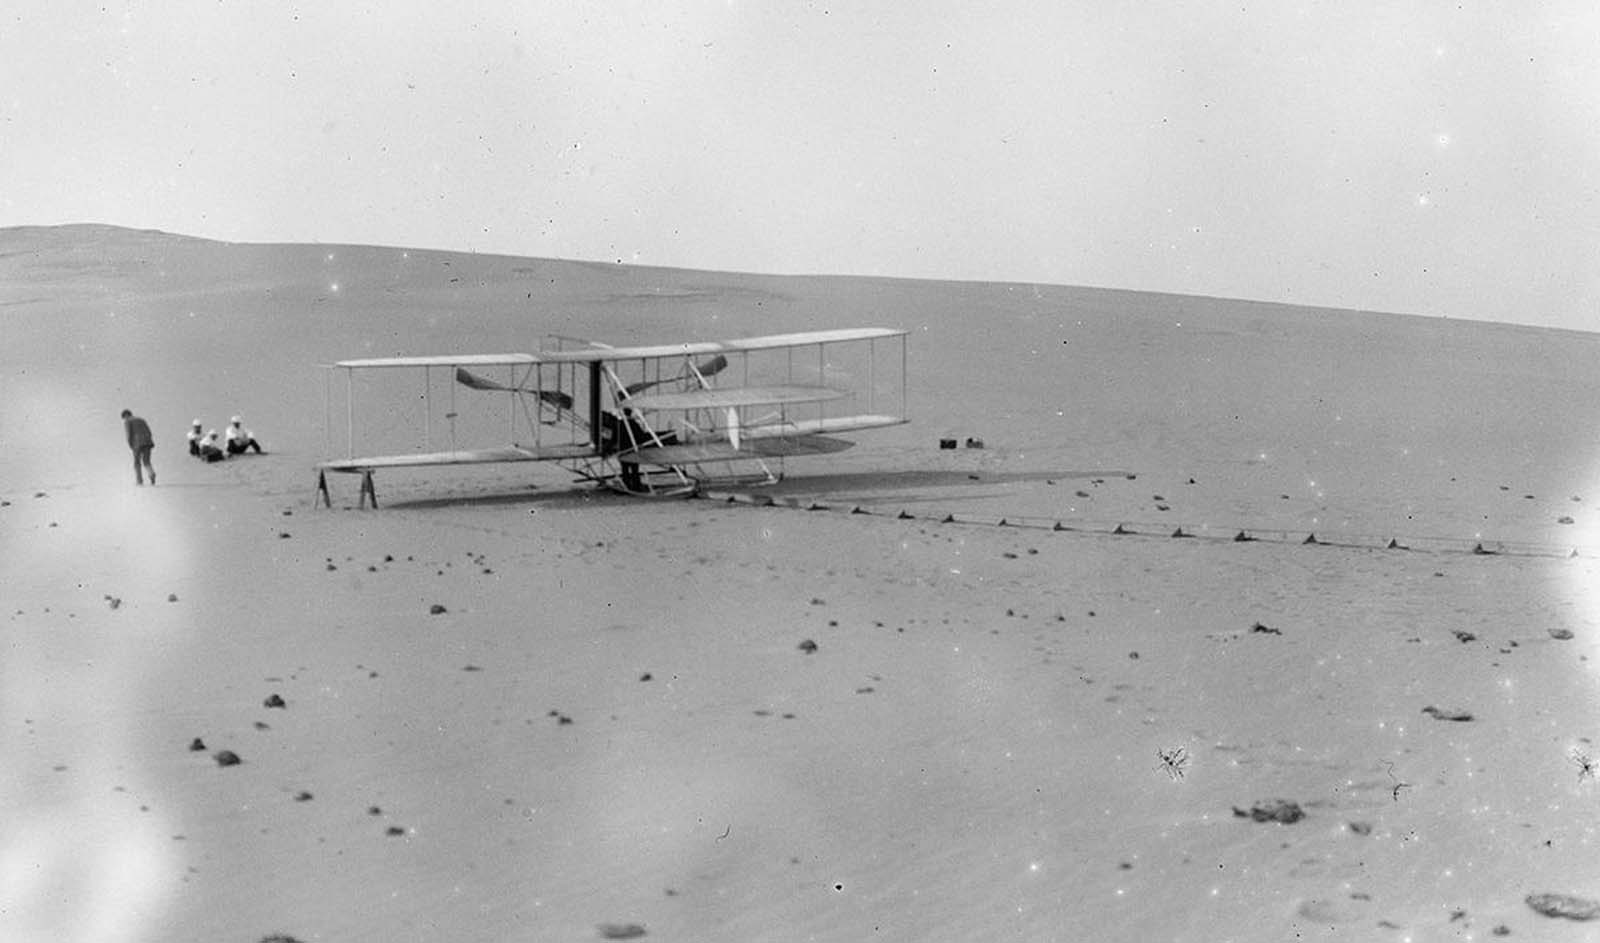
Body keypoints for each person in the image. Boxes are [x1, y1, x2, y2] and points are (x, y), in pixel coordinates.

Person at [121, 409, 156, 485]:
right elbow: (149, 431)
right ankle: (151, 473)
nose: (124, 419)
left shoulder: (128, 421)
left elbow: (128, 434)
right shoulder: (141, 420)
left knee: (137, 462)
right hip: (148, 442)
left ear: (125, 416)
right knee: (146, 460)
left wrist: (131, 445)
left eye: (124, 417)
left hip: (137, 443)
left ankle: (139, 480)